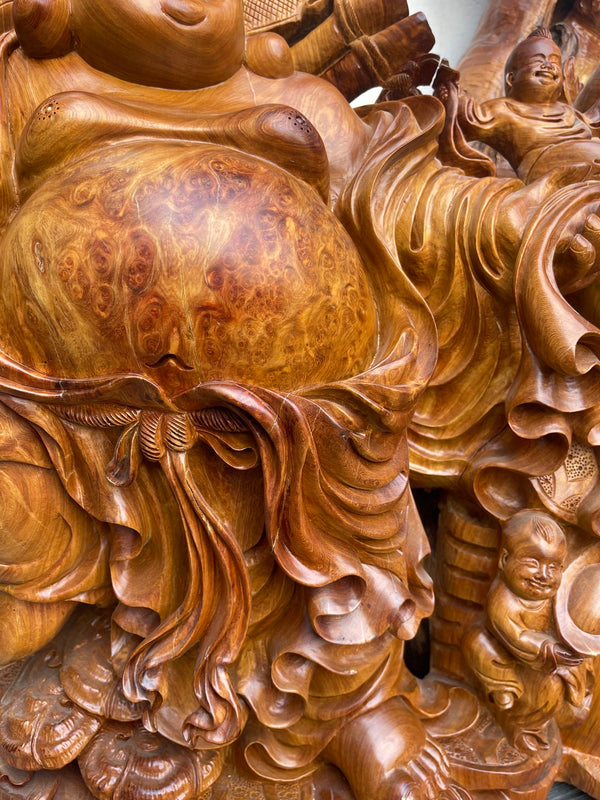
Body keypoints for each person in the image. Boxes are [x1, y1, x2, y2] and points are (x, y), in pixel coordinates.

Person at [463, 511, 592, 751]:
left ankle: (574, 699)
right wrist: (547, 647)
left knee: (565, 679)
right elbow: (516, 636)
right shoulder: (503, 600)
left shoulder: (556, 596)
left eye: (554, 567)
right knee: (477, 644)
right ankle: (509, 703)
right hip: (512, 659)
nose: (544, 575)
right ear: (504, 560)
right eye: (533, 562)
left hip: (547, 661)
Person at [445, 28, 600, 183]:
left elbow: (593, 121)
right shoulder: (505, 108)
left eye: (554, 62)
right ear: (511, 78)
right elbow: (466, 116)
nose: (548, 65)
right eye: (538, 61)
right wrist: (449, 93)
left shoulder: (567, 111)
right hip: (548, 172)